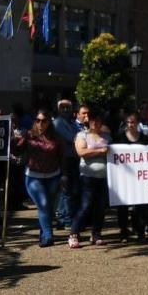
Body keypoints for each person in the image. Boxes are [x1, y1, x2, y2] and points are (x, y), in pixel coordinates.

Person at [14, 109, 65, 247]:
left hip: (53, 175)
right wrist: (12, 141)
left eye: (44, 120)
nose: (40, 123)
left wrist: (63, 175)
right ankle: (48, 235)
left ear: (49, 122)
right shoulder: (29, 135)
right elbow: (17, 150)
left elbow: (61, 157)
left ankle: (44, 233)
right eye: (38, 120)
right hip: (33, 176)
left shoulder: (56, 138)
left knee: (49, 208)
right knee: (42, 204)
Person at [70, 110, 110, 248]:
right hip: (87, 176)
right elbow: (81, 152)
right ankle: (74, 233)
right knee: (85, 205)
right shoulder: (82, 135)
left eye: (98, 120)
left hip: (103, 177)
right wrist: (100, 151)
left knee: (100, 207)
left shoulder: (106, 136)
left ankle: (96, 233)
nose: (95, 123)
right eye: (93, 120)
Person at [112, 112, 148, 242]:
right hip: (123, 178)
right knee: (122, 206)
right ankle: (124, 231)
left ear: (137, 123)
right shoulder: (119, 138)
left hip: (140, 178)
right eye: (128, 122)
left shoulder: (144, 138)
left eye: (133, 122)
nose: (130, 125)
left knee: (141, 206)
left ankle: (140, 231)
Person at [53, 99, 81, 231]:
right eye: (63, 107)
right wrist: (81, 138)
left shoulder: (72, 122)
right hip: (64, 159)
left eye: (68, 107)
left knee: (71, 190)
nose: (65, 110)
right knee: (65, 191)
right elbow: (73, 138)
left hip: (74, 159)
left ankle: (64, 217)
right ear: (58, 109)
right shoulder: (57, 123)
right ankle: (65, 219)